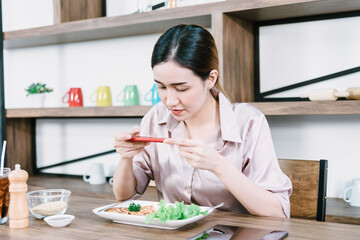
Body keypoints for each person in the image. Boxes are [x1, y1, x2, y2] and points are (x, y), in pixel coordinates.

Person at [113, 24, 292, 218]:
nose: (170, 101)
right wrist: (126, 157)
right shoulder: (156, 118)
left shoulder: (248, 122)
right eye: (161, 87)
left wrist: (218, 165)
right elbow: (124, 195)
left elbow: (278, 213)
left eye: (181, 88)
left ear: (210, 79)